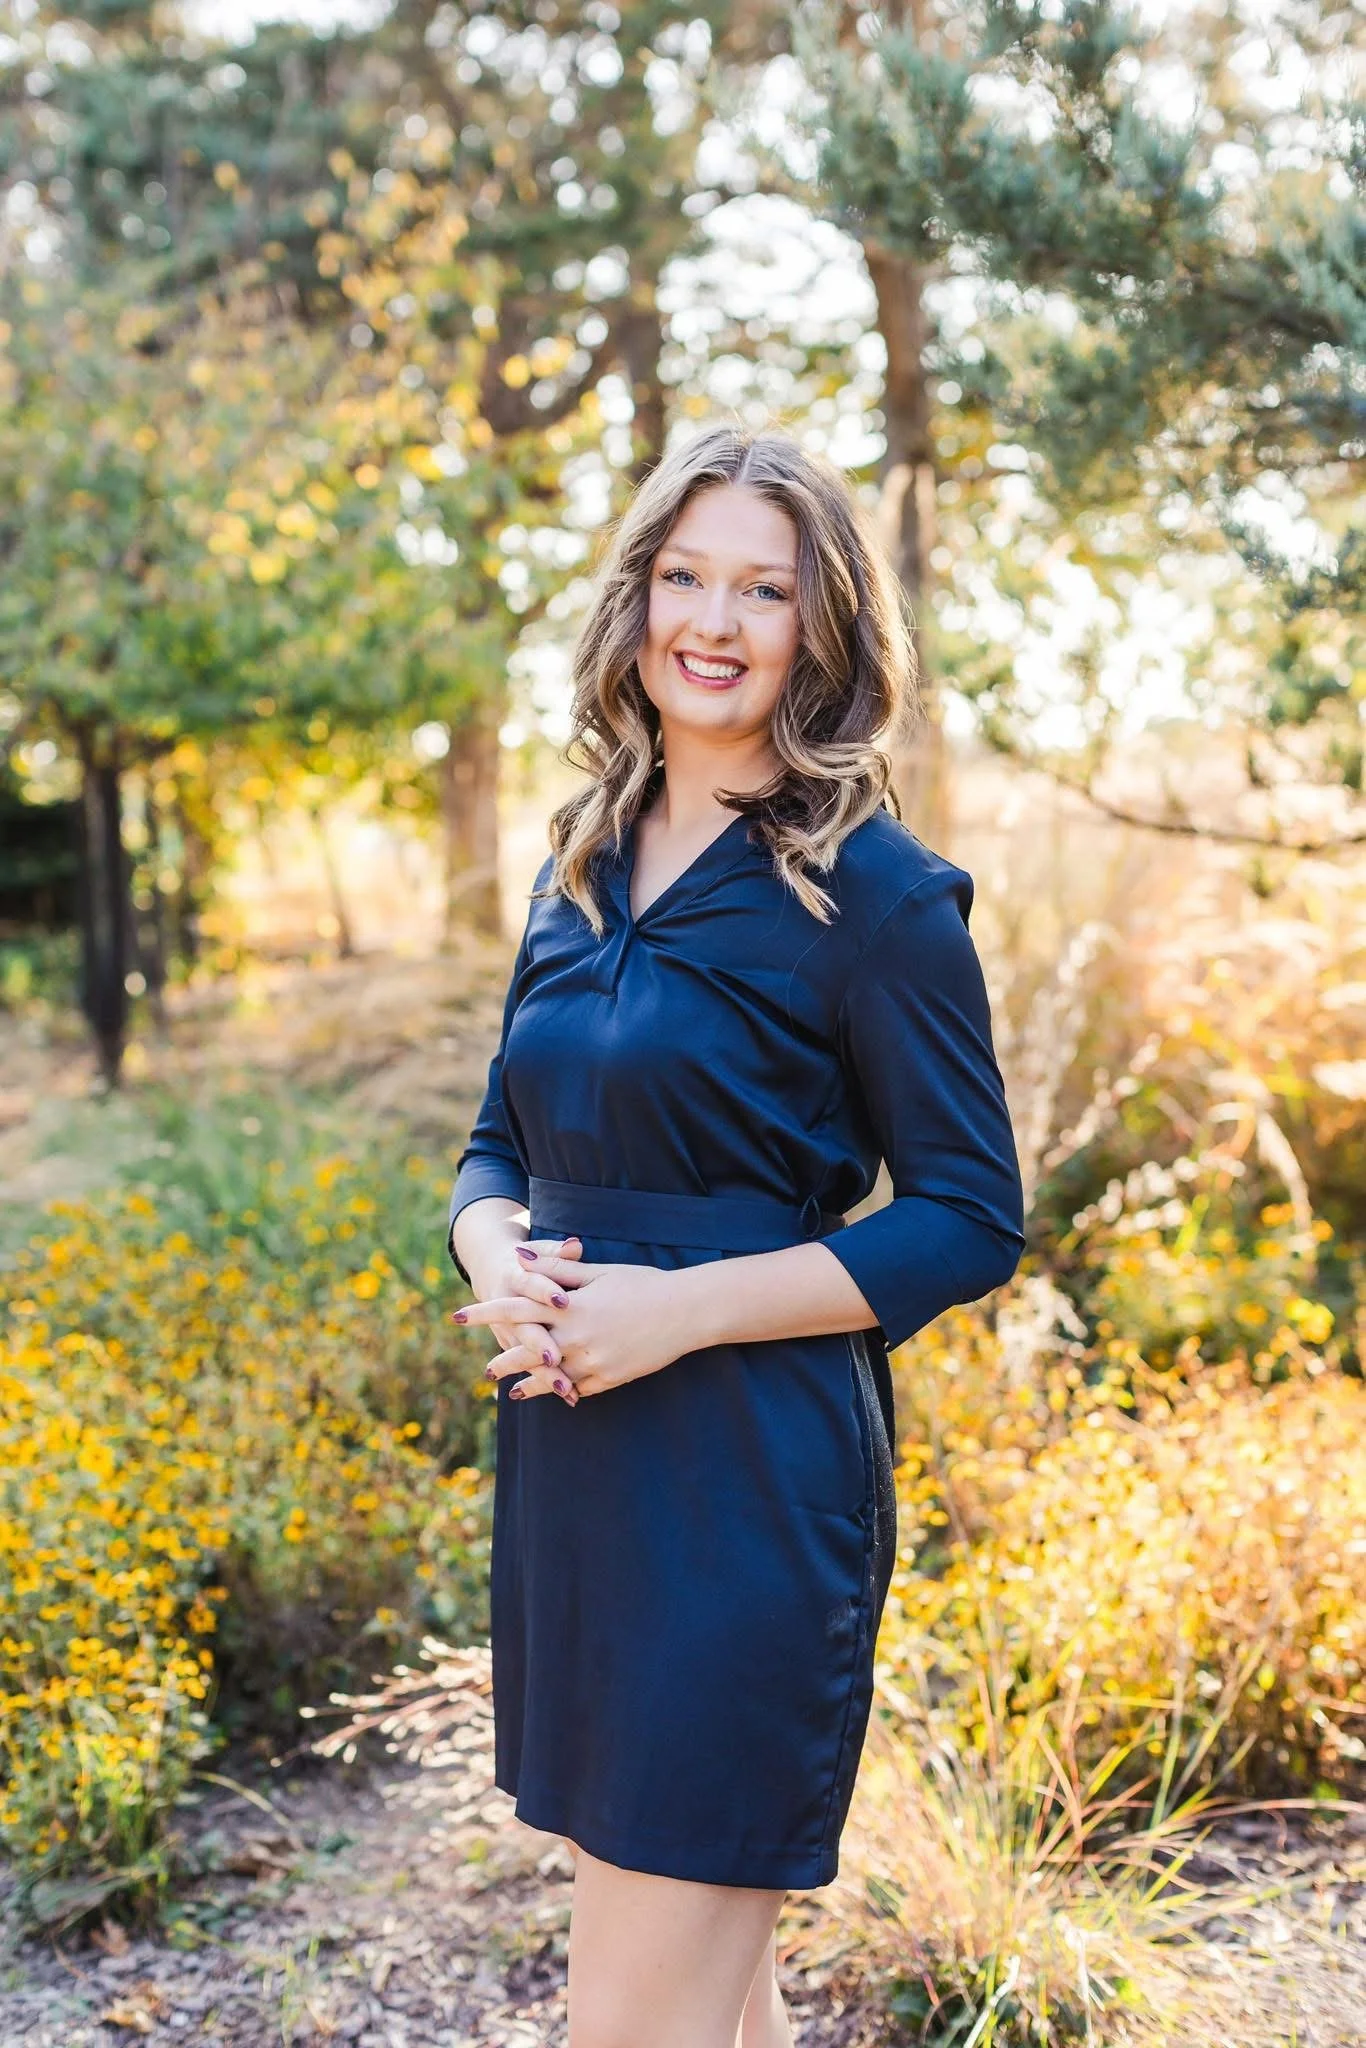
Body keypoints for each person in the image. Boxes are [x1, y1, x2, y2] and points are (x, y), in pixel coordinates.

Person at [447, 422, 1025, 2048]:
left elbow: (969, 1218)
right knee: (712, 2002)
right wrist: (491, 1252)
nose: (713, 621)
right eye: (683, 576)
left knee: (633, 2020)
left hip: (747, 1490)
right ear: (634, 599)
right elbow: (498, 1145)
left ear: (819, 624)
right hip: (574, 1469)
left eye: (761, 590)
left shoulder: (880, 896)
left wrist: (679, 1310)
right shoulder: (575, 860)